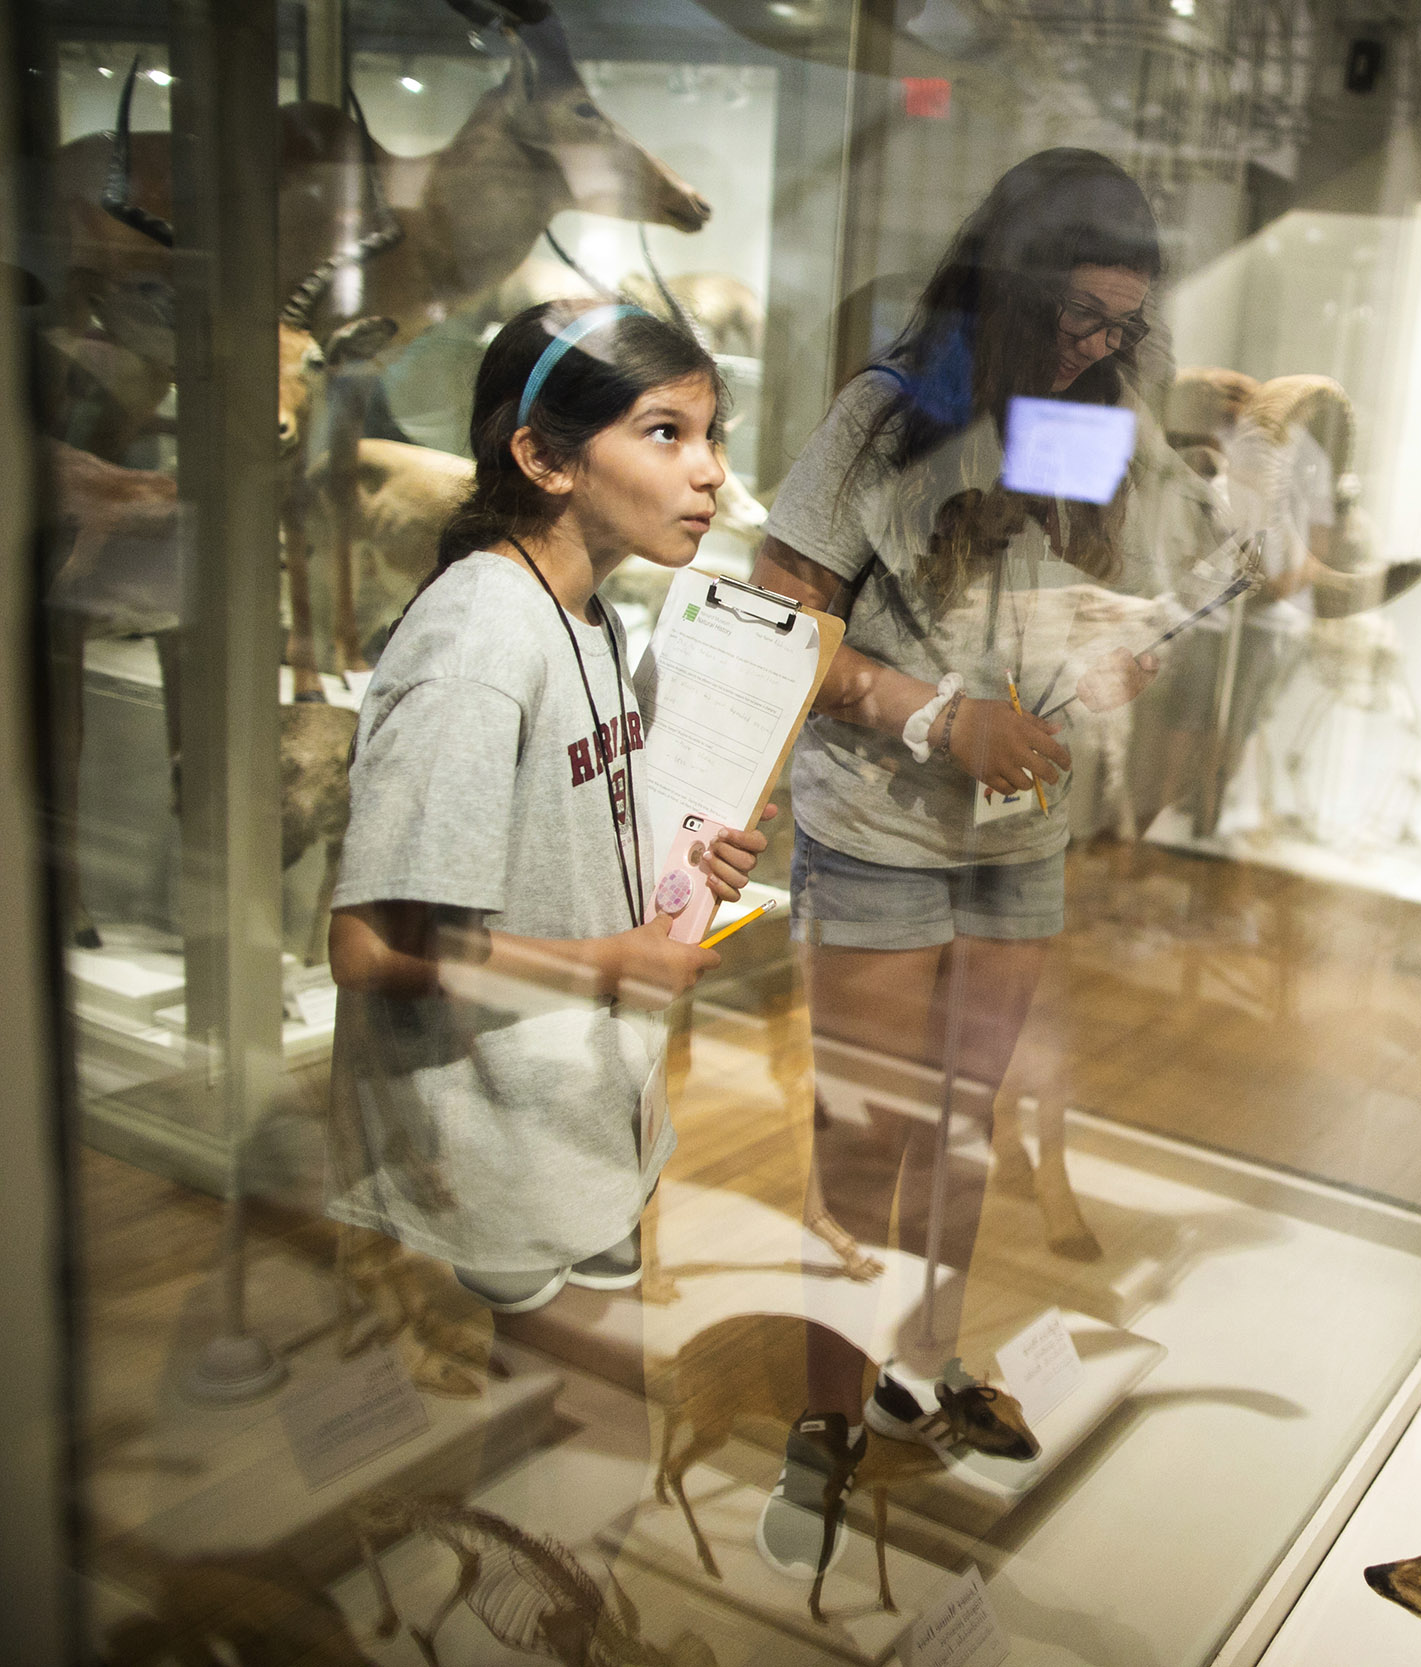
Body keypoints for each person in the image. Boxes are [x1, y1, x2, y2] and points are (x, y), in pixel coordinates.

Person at [746, 147, 1224, 1573]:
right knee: (865, 1130)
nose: (1096, 350)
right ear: (1010, 292)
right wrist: (933, 713)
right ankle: (827, 1418)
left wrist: (1113, 640)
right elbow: (784, 628)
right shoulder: (887, 413)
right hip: (883, 827)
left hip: (1018, 831)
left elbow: (1052, 589)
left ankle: (923, 1364)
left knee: (964, 1118)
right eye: (1078, 318)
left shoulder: (1084, 409)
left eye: (1121, 328)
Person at [326, 299, 771, 1313]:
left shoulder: (586, 611)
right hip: (494, 1146)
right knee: (527, 1409)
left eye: (712, 437)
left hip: (581, 1113)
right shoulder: (478, 644)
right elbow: (370, 950)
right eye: (666, 433)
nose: (709, 472)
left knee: (581, 1414)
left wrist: (685, 858)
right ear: (544, 456)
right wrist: (612, 961)